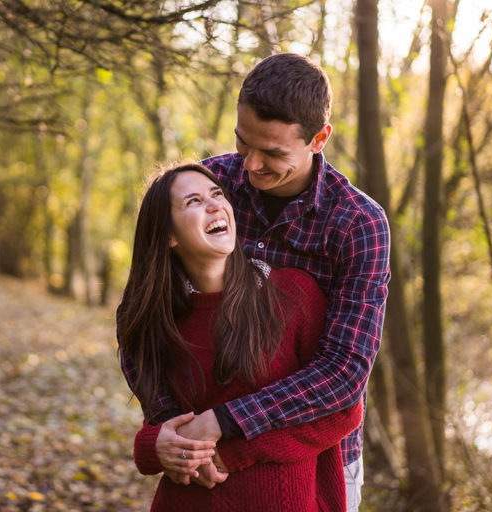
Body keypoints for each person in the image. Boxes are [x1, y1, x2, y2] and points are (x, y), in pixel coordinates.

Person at [120, 53, 390, 511]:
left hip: (316, 461)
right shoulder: (212, 187)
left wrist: (225, 425)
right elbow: (144, 319)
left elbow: (344, 374)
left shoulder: (357, 224)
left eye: (273, 153)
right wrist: (174, 430)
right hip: (203, 465)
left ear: (319, 139)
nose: (250, 165)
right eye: (244, 143)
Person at [117, 162, 362, 511]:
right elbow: (164, 420)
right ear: (169, 235)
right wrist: (154, 446)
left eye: (217, 194)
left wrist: (227, 450)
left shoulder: (293, 296)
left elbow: (342, 412)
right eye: (194, 201)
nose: (215, 205)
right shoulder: (162, 322)